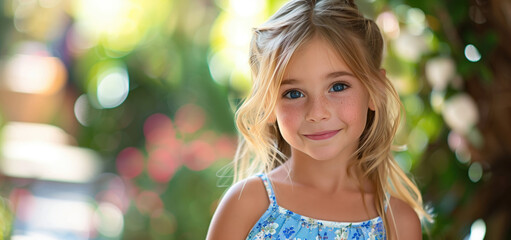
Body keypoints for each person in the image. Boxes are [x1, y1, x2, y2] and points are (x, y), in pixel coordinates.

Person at [207, 0, 433, 239]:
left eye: (338, 86)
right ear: (268, 104)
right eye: (293, 93)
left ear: (375, 90)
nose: (317, 112)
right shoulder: (247, 205)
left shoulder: (398, 224)